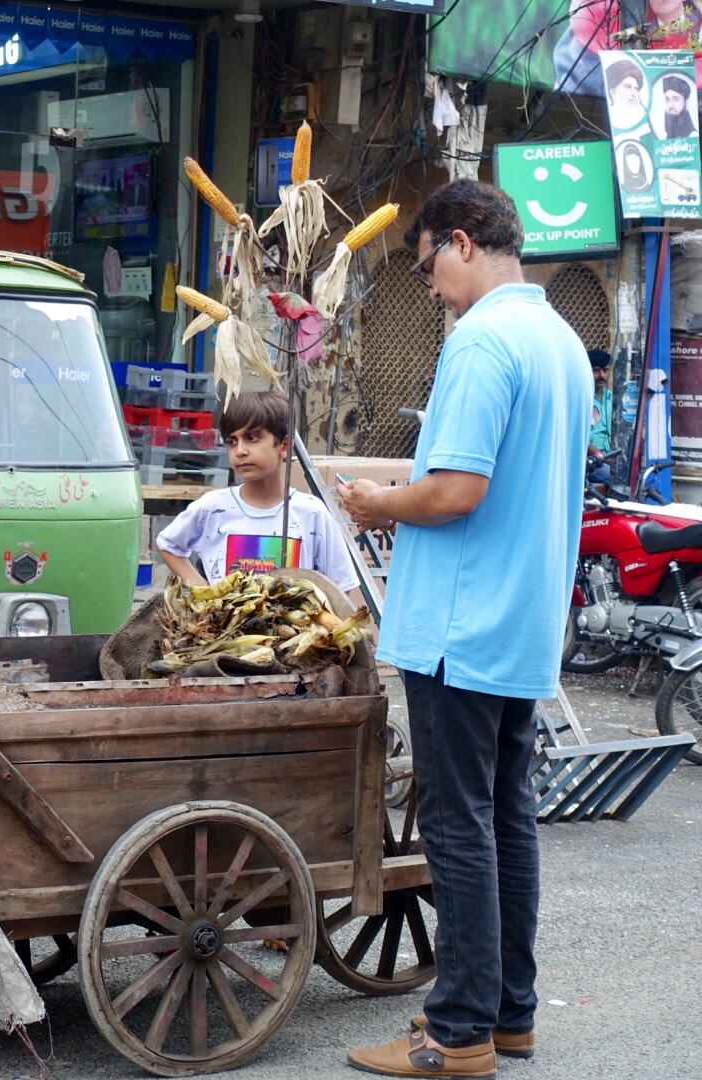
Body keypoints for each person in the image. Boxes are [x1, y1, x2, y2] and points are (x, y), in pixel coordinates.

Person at [338, 179, 591, 1079]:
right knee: (505, 818)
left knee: (457, 823)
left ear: (461, 242)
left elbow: (455, 491)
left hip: (461, 623)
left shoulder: (484, 340)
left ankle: (457, 1031)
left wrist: (375, 503)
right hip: (522, 620)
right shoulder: (562, 340)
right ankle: (508, 1014)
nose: (432, 290)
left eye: (427, 269)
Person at [156, 390, 363, 606]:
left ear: (283, 446)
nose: (240, 451)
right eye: (232, 441)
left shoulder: (311, 512)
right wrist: (207, 595)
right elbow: (168, 544)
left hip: (289, 636)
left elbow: (342, 585)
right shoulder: (213, 507)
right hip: (224, 635)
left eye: (252, 438)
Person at [587, 349, 615, 487]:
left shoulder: (612, 398)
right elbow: (581, 442)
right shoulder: (582, 399)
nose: (602, 375)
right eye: (596, 371)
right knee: (615, 478)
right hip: (590, 462)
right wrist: (603, 458)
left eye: (605, 370)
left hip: (610, 459)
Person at [605, 58, 647, 131]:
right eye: (628, 87)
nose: (634, 94)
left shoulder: (646, 126)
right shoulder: (610, 125)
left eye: (636, 89)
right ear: (613, 92)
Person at [662, 73, 696, 139]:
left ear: (686, 103)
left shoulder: (693, 136)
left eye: (676, 99)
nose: (670, 105)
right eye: (667, 100)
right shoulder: (666, 136)